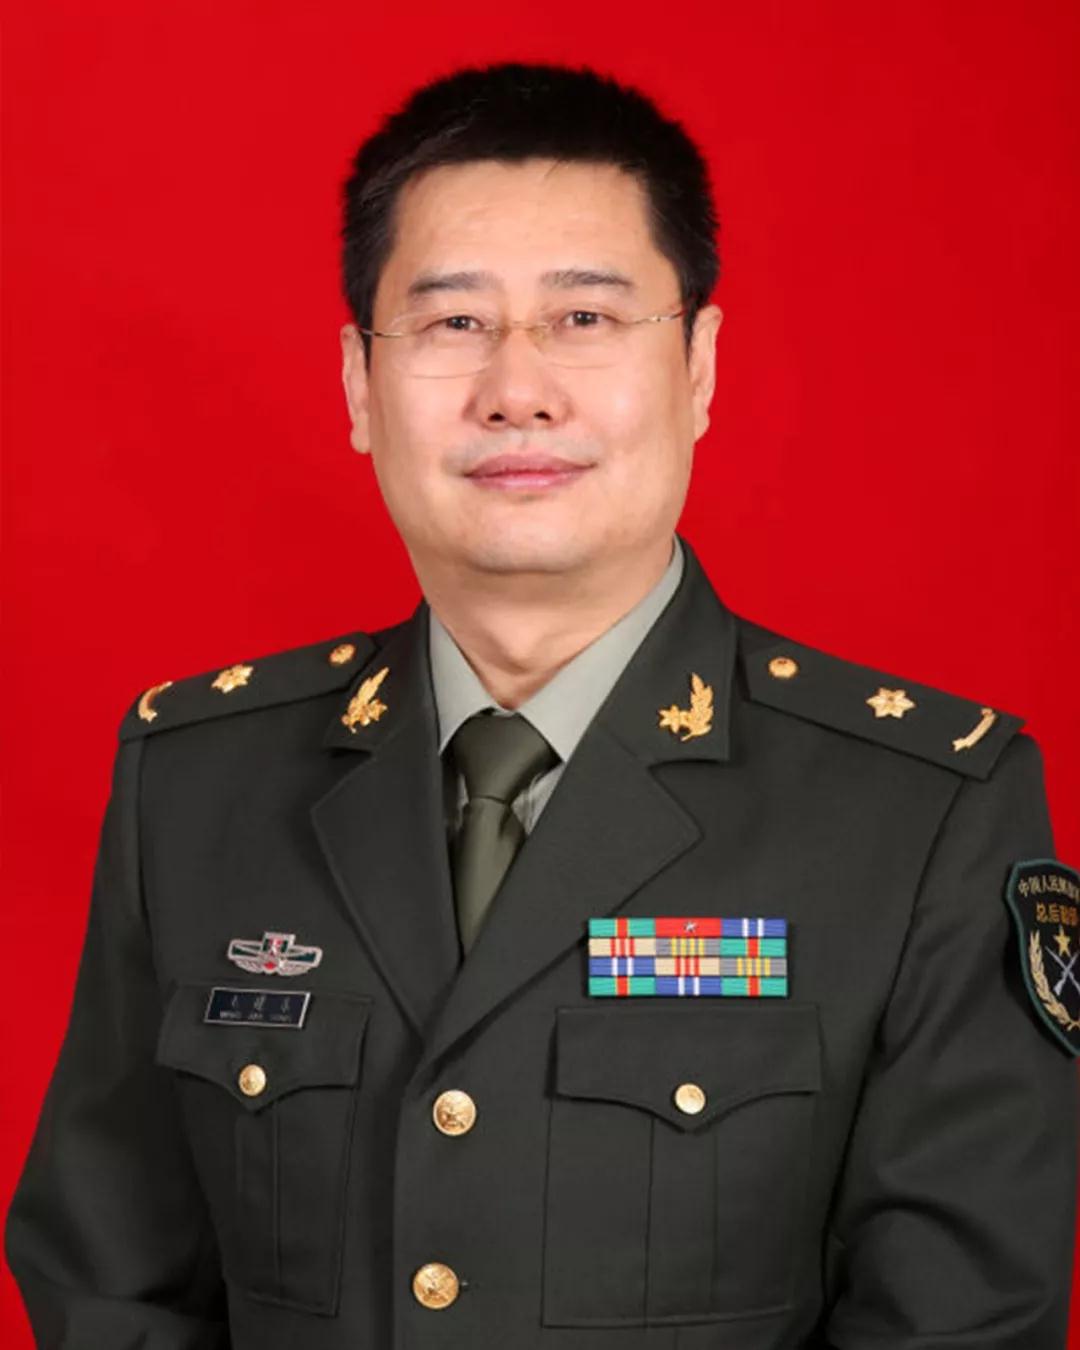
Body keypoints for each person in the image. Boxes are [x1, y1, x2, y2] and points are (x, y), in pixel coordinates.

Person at [6, 59, 1078, 1350]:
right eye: (454, 322)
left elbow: (961, 1322)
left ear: (698, 366)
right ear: (358, 386)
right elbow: (109, 1280)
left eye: (584, 317)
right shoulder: (196, 782)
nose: (517, 389)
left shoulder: (922, 809)